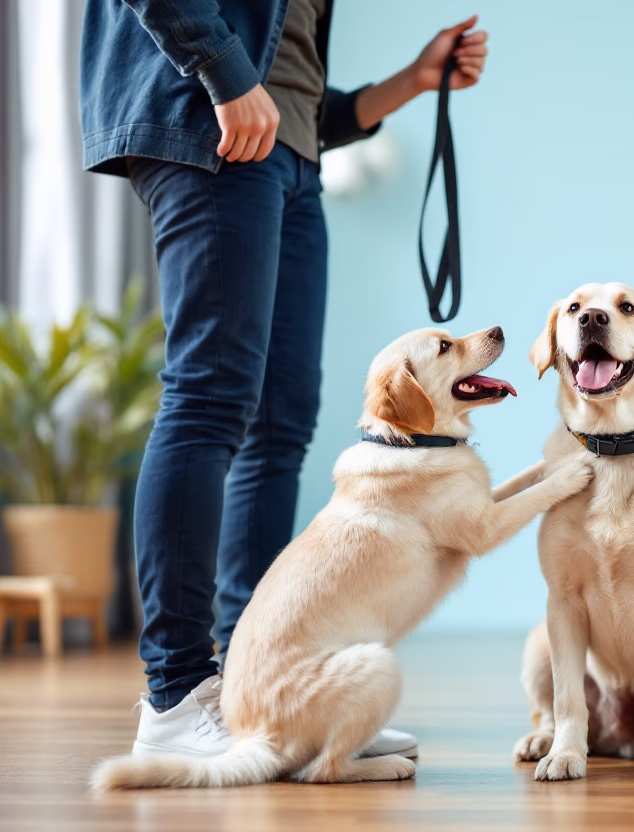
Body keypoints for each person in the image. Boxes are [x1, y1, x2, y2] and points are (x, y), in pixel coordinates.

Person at [79, 1, 488, 758]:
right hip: (213, 127)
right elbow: (240, 65)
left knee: (281, 422)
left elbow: (293, 86)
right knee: (208, 400)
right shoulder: (222, 81)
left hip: (290, 156)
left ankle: (261, 688)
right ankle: (173, 698)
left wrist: (410, 82)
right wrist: (223, 72)